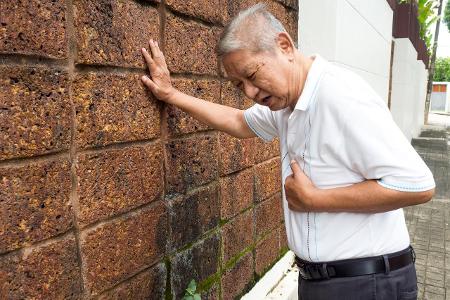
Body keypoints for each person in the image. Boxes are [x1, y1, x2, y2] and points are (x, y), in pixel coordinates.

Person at [140, 3, 435, 299]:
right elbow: (239, 121)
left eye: (252, 74)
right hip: (324, 281)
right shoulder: (285, 104)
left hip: (366, 284)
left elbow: (417, 185)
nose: (250, 92)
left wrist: (316, 199)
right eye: (238, 84)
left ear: (284, 46)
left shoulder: (340, 96)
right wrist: (171, 94)